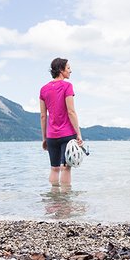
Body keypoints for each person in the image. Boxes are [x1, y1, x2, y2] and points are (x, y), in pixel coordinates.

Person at [40, 57, 83, 186]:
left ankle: (53, 196)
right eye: (68, 68)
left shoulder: (43, 89)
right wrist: (79, 134)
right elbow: (71, 111)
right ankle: (65, 198)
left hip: (51, 136)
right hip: (67, 135)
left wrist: (44, 138)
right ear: (61, 70)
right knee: (66, 168)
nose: (70, 71)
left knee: (54, 168)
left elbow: (43, 116)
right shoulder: (67, 86)